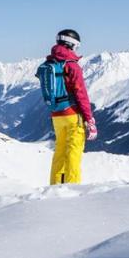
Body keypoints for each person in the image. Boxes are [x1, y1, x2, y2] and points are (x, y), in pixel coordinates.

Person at [43, 29, 97, 184]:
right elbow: (81, 94)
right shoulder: (71, 65)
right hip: (73, 115)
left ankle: (55, 186)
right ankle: (73, 188)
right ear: (71, 44)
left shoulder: (50, 63)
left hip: (56, 116)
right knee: (73, 153)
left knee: (59, 152)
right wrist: (89, 119)